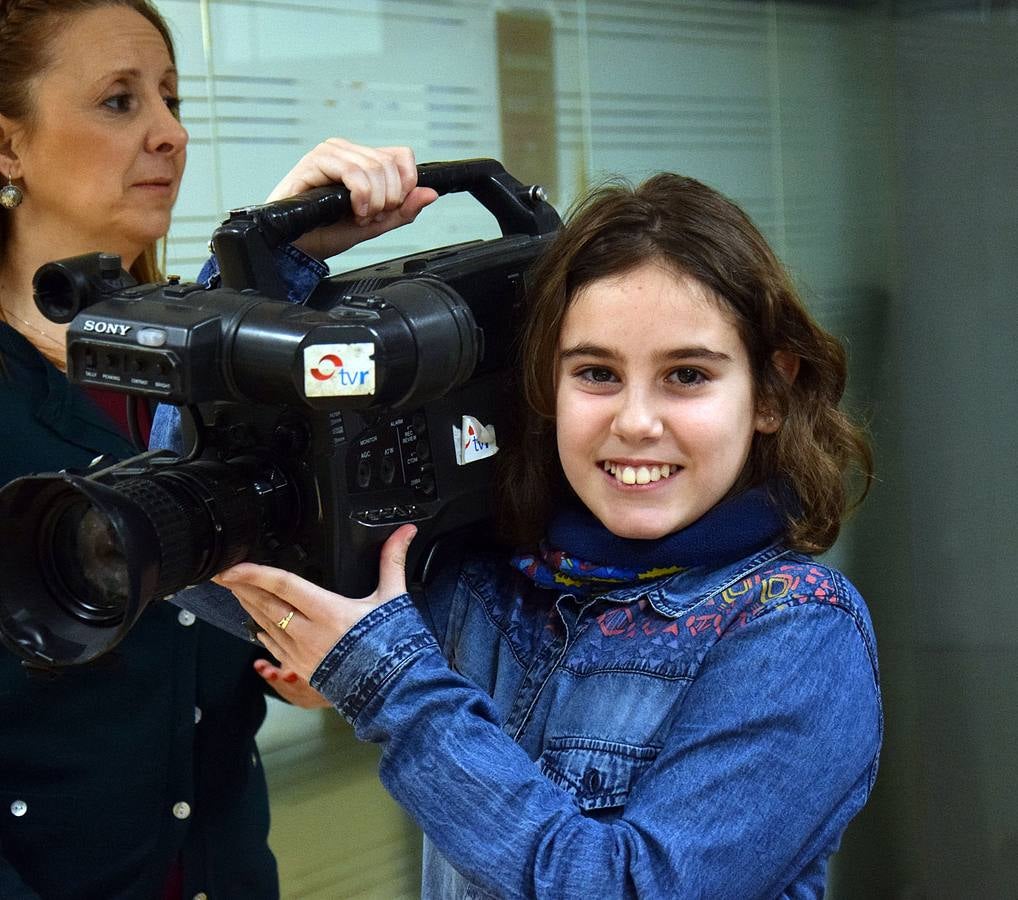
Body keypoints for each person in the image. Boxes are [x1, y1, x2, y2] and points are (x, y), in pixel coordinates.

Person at [208, 172, 884, 899]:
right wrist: (271, 263)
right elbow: (224, 555)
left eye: (686, 375)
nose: (634, 422)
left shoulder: (798, 628)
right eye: (596, 373)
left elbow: (624, 887)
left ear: (772, 394)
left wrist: (389, 682)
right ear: (543, 387)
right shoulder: (488, 575)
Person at [0, 1, 434, 897]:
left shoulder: (227, 359)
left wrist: (311, 660)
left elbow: (236, 583)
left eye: (170, 97)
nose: (168, 134)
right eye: (119, 102)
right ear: (9, 149)